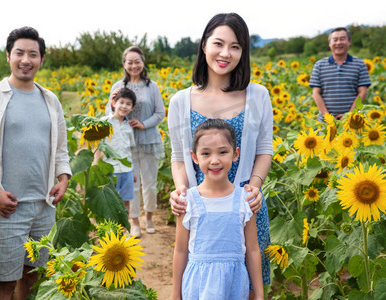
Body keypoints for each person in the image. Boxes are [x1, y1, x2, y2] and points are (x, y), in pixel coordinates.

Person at [168, 13, 273, 294]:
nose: (226, 53)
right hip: (201, 210)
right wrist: (181, 190)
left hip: (245, 208)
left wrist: (255, 186)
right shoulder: (180, 101)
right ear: (204, 45)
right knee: (200, 284)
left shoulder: (258, 95)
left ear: (244, 52)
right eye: (219, 43)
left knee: (248, 287)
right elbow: (178, 156)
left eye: (236, 46)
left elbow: (264, 150)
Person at [0, 26, 71, 300]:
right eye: (20, 53)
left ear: (41, 59)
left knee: (33, 276)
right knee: (5, 282)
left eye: (33, 54)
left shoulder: (50, 99)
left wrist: (63, 179)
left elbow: (60, 147)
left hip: (44, 205)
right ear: (8, 56)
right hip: (8, 207)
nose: (26, 60)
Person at [172, 119, 264, 299]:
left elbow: (253, 250)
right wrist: (176, 295)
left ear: (235, 154)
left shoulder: (245, 200)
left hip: (234, 285)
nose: (215, 160)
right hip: (198, 286)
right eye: (206, 153)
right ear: (195, 157)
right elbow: (181, 250)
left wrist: (259, 294)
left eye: (223, 152)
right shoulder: (187, 200)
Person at [107, 46, 166, 238]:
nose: (134, 65)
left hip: (149, 140)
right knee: (131, 184)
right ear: (124, 64)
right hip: (124, 144)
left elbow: (160, 113)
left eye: (137, 61)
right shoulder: (117, 86)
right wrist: (112, 100)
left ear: (143, 63)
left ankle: (148, 218)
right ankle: (134, 222)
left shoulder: (152, 86)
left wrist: (143, 124)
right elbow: (111, 114)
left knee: (150, 184)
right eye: (129, 62)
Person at [309, 27, 371, 122]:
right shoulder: (319, 65)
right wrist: (328, 118)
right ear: (330, 44)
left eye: (342, 39)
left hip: (352, 122)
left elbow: (362, 92)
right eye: (335, 40)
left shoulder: (360, 64)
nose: (338, 43)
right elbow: (316, 93)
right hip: (325, 123)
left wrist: (348, 116)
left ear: (349, 41)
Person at [96, 88, 136, 213]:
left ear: (132, 108)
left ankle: (124, 231)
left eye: (128, 104)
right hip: (110, 170)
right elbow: (98, 146)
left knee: (125, 203)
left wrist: (133, 170)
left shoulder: (129, 127)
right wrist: (96, 166)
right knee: (109, 202)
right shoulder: (104, 122)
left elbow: (130, 150)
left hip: (127, 171)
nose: (124, 106)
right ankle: (110, 231)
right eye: (121, 102)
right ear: (114, 103)